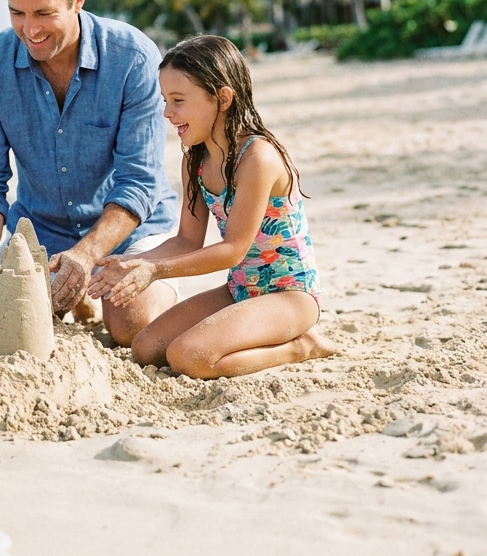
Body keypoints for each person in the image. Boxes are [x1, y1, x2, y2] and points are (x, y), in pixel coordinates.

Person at [0, 0, 178, 344]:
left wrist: (87, 254)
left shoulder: (133, 59)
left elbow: (140, 182)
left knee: (131, 324)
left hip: (132, 229)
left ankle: (149, 288)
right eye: (16, 14)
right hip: (39, 231)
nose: (29, 30)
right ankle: (72, 292)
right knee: (1, 313)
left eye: (43, 13)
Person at [87, 35, 337, 379]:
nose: (167, 113)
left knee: (189, 357)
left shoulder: (257, 158)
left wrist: (156, 272)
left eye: (178, 100)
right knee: (146, 348)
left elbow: (233, 250)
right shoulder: (196, 162)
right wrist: (131, 263)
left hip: (289, 295)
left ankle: (301, 346)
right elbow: (187, 241)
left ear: (222, 98)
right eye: (164, 100)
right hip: (240, 290)